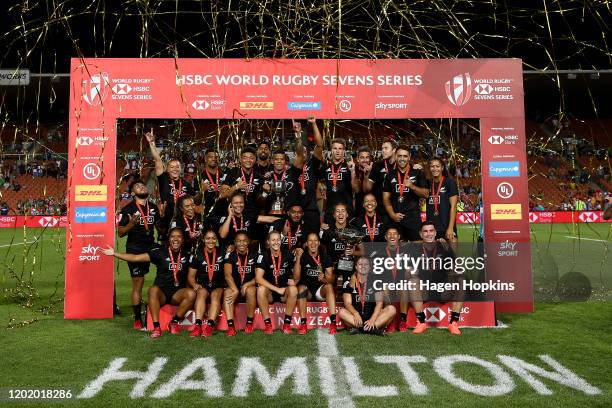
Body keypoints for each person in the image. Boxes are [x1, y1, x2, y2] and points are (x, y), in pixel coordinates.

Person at [102, 228, 196, 338]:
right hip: (161, 293)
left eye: (179, 236)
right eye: (172, 236)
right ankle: (157, 328)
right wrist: (114, 253)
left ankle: (174, 322)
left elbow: (193, 275)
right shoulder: (160, 252)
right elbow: (135, 258)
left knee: (191, 294)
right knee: (152, 290)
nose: (176, 239)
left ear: (183, 239)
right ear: (168, 239)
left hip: (177, 294)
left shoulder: (188, 255)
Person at [117, 179, 161, 330]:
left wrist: (162, 217)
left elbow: (160, 228)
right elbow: (120, 232)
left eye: (143, 185)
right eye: (137, 186)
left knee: (168, 267)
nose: (142, 186)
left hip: (151, 247)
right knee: (138, 284)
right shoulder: (127, 209)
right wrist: (131, 225)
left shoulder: (154, 208)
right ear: (132, 193)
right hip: (135, 248)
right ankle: (137, 318)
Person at [408, 221, 465, 335]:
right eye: (425, 231)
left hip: (442, 290)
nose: (428, 234)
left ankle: (453, 322)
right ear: (420, 234)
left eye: (431, 231)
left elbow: (456, 267)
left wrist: (456, 271)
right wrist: (412, 271)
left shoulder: (443, 247)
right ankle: (421, 322)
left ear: (435, 233)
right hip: (423, 290)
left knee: (461, 280)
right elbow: (409, 270)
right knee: (412, 281)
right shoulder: (414, 249)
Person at [146, 129, 198, 240]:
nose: (175, 169)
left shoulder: (186, 184)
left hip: (183, 219)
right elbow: (158, 161)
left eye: (177, 167)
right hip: (166, 219)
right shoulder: (164, 179)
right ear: (167, 169)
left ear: (181, 168)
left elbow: (194, 201)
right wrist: (152, 144)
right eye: (172, 167)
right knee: (166, 248)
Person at [338, 257, 396, 335]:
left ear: (369, 267)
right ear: (356, 267)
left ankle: (361, 329)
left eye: (366, 264)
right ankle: (372, 330)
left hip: (374, 318)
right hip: (356, 319)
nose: (363, 266)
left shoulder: (376, 282)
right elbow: (347, 303)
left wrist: (372, 319)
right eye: (360, 264)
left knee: (392, 309)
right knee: (341, 312)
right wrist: (355, 313)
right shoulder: (348, 283)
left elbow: (379, 304)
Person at [382, 145, 429, 241]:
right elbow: (386, 199)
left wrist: (412, 186)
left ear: (410, 157)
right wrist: (392, 215)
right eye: (399, 156)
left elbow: (426, 194)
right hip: (395, 219)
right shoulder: (390, 175)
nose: (402, 159)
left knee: (417, 247)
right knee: (396, 250)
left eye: (405, 156)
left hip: (413, 218)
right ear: (396, 156)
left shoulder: (418, 173)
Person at [255, 231, 298, 334]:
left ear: (281, 241)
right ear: (268, 242)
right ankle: (268, 325)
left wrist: (298, 259)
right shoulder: (263, 256)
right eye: (273, 240)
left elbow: (297, 276)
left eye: (278, 239)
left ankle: (286, 325)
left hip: (284, 292)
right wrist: (276, 289)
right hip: (270, 292)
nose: (276, 242)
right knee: (260, 290)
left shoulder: (288, 254)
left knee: (293, 289)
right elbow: (258, 279)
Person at [294, 232, 336, 335]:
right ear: (306, 244)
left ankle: (333, 323)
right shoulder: (302, 256)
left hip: (319, 290)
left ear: (319, 242)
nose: (313, 243)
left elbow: (331, 279)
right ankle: (303, 324)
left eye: (315, 240)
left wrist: (324, 279)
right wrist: (298, 258)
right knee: (301, 288)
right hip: (307, 290)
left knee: (329, 287)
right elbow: (296, 278)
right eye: (310, 241)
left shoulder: (325, 257)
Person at [187, 230, 226, 337]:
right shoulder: (197, 253)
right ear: (204, 240)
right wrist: (195, 285)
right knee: (201, 293)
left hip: (218, 285)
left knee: (215, 295)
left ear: (216, 240)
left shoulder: (222, 252)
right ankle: (198, 325)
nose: (211, 241)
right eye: (208, 238)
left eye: (213, 238)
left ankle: (209, 326)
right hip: (203, 285)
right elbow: (190, 276)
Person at [290, 117, 324, 236]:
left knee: (313, 241)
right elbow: (299, 151)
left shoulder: (312, 165)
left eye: (305, 151)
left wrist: (314, 124)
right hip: (296, 213)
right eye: (300, 152)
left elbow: (320, 146)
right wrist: (298, 136)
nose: (302, 153)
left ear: (308, 154)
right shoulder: (294, 169)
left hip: (311, 211)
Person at [223, 232, 259, 336]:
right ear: (235, 243)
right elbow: (227, 275)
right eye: (238, 241)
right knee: (227, 292)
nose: (241, 243)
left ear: (248, 242)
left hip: (247, 288)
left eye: (244, 241)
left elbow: (258, 277)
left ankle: (249, 323)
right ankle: (230, 326)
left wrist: (247, 284)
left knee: (251, 290)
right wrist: (235, 290)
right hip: (234, 288)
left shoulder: (255, 255)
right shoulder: (230, 255)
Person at [220, 146, 264, 220]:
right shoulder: (232, 173)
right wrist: (236, 186)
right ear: (240, 159)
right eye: (245, 157)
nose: (248, 160)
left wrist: (265, 192)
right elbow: (222, 195)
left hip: (252, 215)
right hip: (234, 215)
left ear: (255, 160)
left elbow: (260, 201)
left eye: (251, 158)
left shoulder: (259, 176)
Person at [321, 202, 359, 283]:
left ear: (347, 214)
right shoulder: (328, 231)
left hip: (347, 266)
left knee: (347, 262)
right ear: (334, 215)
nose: (340, 214)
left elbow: (363, 251)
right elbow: (321, 250)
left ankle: (345, 285)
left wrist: (353, 252)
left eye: (343, 211)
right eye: (337, 211)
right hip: (331, 266)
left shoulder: (353, 231)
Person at [321, 137, 356, 224]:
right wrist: (322, 189)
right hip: (330, 209)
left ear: (344, 151)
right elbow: (319, 183)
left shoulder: (349, 166)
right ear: (331, 150)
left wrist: (353, 171)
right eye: (335, 148)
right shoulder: (325, 167)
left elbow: (355, 188)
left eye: (340, 148)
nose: (337, 151)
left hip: (346, 210)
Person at [426, 158, 458, 242]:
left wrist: (450, 227)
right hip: (432, 227)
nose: (435, 169)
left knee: (452, 253)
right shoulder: (427, 183)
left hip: (446, 225)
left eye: (437, 166)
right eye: (432, 166)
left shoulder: (450, 183)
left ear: (442, 168)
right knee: (433, 254)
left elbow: (453, 206)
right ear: (429, 168)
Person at [366, 138, 397, 202]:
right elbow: (367, 189)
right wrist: (366, 175)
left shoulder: (400, 165)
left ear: (394, 150)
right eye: (382, 148)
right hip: (380, 204)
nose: (383, 151)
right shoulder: (376, 165)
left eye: (386, 148)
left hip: (396, 204)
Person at [201, 148, 227, 219]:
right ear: (205, 159)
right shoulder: (200, 177)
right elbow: (195, 201)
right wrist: (202, 191)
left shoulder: (225, 175)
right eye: (210, 157)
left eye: (216, 157)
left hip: (224, 213)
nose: (214, 159)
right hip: (207, 214)